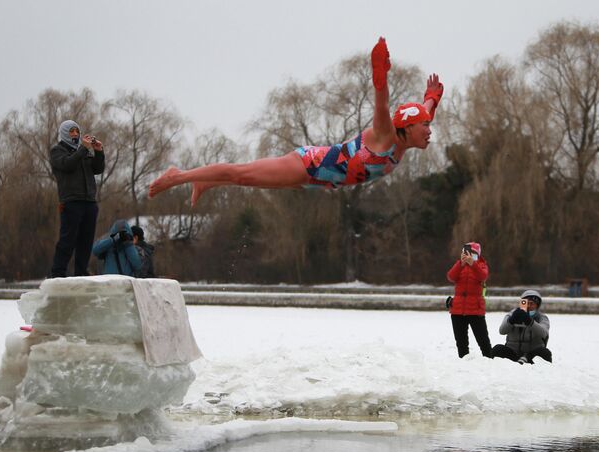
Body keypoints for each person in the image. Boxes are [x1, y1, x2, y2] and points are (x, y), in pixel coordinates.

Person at [148, 37, 443, 205]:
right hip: (310, 165)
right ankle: (179, 175)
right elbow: (382, 100)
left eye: (429, 125)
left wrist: (431, 98)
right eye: (425, 126)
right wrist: (379, 70)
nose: (430, 131)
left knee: (247, 181)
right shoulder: (385, 135)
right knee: (243, 174)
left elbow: (422, 111)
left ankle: (203, 182)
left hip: (314, 182)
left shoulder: (405, 139)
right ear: (407, 128)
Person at [49, 120, 105, 277]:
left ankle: (81, 271)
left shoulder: (83, 150)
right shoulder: (57, 151)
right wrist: (83, 149)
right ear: (64, 133)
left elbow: (97, 169)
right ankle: (57, 273)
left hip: (89, 202)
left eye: (76, 131)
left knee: (86, 241)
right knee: (68, 240)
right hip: (71, 202)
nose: (75, 134)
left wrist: (98, 151)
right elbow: (67, 165)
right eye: (71, 131)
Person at [447, 242, 492, 358]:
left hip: (475, 310)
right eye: (465, 252)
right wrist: (460, 264)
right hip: (458, 310)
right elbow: (451, 276)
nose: (468, 255)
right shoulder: (460, 265)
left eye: (472, 253)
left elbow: (483, 276)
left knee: (483, 342)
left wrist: (473, 264)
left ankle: (490, 363)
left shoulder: (482, 265)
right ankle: (464, 364)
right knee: (461, 343)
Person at [492, 290, 551, 364]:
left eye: (532, 304)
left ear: (537, 305)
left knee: (545, 353)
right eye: (526, 303)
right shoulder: (512, 314)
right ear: (521, 303)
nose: (528, 306)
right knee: (497, 349)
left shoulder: (542, 318)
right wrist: (511, 321)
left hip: (532, 355)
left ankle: (526, 359)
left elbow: (544, 333)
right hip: (513, 353)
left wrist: (530, 322)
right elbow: (502, 331)